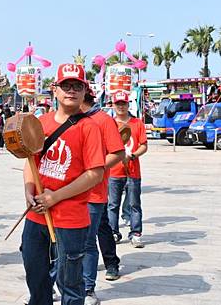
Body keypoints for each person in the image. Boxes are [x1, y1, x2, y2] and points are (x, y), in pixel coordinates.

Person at [21, 64, 104, 305]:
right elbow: (31, 161)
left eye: (77, 86)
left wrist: (55, 197)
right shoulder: (40, 123)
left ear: (85, 91)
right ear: (54, 90)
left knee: (70, 282)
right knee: (35, 274)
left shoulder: (89, 127)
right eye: (65, 85)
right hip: (36, 214)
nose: (71, 90)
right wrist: (28, 190)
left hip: (71, 217)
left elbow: (95, 174)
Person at [81, 89, 125, 305]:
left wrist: (91, 169)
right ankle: (51, 285)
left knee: (89, 241)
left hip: (94, 192)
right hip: (62, 193)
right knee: (59, 243)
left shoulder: (103, 121)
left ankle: (88, 288)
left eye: (75, 89)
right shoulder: (65, 119)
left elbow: (118, 152)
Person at [108, 90, 148, 249]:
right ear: (113, 105)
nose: (120, 107)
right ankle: (113, 232)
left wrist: (132, 155)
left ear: (128, 104)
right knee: (113, 204)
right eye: (117, 104)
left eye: (123, 103)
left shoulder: (137, 123)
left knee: (134, 204)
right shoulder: (109, 124)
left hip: (133, 171)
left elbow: (144, 145)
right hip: (114, 172)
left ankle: (136, 233)